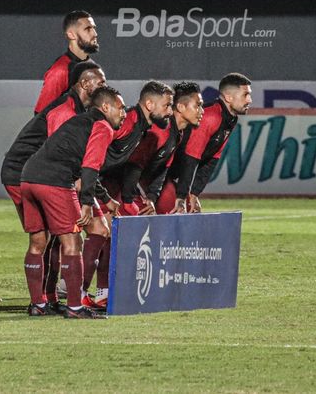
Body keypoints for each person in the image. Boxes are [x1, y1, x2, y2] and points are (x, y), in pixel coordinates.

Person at [1, 61, 107, 312]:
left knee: (49, 238)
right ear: (84, 84)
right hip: (24, 173)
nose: (104, 85)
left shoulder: (78, 109)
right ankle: (51, 299)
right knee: (50, 238)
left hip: (34, 174)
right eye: (100, 81)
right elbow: (58, 153)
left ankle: (45, 300)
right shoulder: (65, 111)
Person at [20, 87, 126, 319]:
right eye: (121, 107)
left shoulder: (80, 122)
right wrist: (86, 203)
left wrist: (105, 198)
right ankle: (76, 307)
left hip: (28, 178)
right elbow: (90, 167)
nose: (124, 113)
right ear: (105, 107)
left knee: (38, 242)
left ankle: (38, 304)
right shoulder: (102, 126)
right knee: (72, 242)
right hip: (55, 182)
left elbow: (83, 167)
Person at [80, 80, 175, 309]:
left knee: (107, 234)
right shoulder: (129, 121)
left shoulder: (143, 126)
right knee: (95, 232)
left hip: (103, 184)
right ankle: (76, 291)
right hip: (87, 180)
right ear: (150, 104)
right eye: (167, 105)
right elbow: (94, 144)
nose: (169, 111)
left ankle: (101, 292)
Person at [157, 73, 252, 213]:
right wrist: (182, 196)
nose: (250, 100)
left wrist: (194, 193)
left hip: (170, 173)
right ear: (228, 97)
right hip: (157, 173)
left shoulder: (230, 119)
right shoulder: (211, 116)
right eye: (246, 95)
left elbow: (212, 159)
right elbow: (191, 157)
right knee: (172, 209)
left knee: (186, 212)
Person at [117, 81, 205, 215]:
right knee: (127, 224)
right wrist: (135, 198)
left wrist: (152, 196)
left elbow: (163, 169)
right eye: (198, 105)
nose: (202, 111)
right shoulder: (161, 130)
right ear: (181, 107)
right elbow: (134, 165)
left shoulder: (177, 133)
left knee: (181, 211)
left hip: (138, 181)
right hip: (116, 180)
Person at [33, 10, 99, 113]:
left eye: (94, 28)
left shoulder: (92, 66)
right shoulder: (60, 71)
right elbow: (41, 114)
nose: (95, 34)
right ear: (71, 35)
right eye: (87, 29)